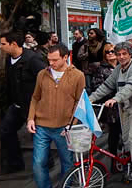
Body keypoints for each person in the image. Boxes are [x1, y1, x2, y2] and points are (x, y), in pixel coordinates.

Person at [89, 42, 132, 181]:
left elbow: (131, 87)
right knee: (126, 138)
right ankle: (130, 160)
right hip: (124, 107)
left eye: (124, 54)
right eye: (119, 54)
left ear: (130, 54)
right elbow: (106, 86)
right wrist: (90, 99)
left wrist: (116, 99)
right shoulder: (118, 69)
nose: (121, 57)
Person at [27, 44, 85, 188]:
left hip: (64, 128)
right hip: (41, 127)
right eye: (49, 60)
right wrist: (30, 119)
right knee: (38, 163)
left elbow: (79, 102)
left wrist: (71, 124)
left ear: (65, 57)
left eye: (55, 60)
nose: (51, 63)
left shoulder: (78, 75)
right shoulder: (42, 74)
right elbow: (35, 97)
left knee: (67, 162)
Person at [0, 31, 46, 174]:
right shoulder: (9, 60)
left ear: (13, 44)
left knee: (38, 136)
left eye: (3, 44)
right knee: (5, 130)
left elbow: (45, 79)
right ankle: (15, 164)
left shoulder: (32, 59)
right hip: (16, 105)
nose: (1, 47)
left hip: (32, 106)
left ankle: (46, 163)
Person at [90, 43, 120, 172]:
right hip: (112, 109)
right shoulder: (101, 69)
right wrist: (114, 95)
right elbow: (97, 87)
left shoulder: (123, 66)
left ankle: (126, 159)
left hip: (126, 107)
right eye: (107, 52)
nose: (110, 53)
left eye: (113, 51)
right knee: (113, 135)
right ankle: (114, 162)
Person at [78, 28, 107, 93]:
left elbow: (108, 55)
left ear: (97, 34)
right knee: (88, 89)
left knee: (101, 87)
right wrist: (86, 54)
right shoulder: (86, 45)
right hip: (88, 70)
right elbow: (79, 56)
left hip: (101, 70)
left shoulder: (104, 44)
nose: (89, 35)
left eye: (91, 33)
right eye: (89, 33)